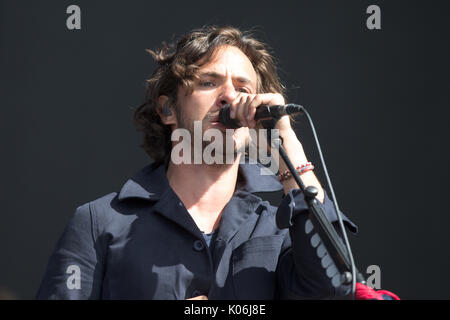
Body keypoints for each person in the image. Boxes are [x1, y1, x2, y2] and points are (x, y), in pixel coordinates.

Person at [36, 25, 357, 300]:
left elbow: (334, 287)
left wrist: (289, 147)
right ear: (167, 110)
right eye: (208, 82)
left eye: (244, 88)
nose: (230, 97)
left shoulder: (280, 229)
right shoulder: (99, 222)